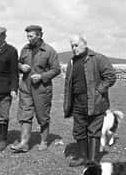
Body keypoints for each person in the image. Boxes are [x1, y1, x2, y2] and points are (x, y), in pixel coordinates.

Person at [63, 34, 116, 166]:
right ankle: (83, 157)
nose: (74, 48)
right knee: (79, 130)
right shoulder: (71, 62)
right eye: (72, 46)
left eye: (76, 45)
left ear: (84, 44)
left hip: (95, 103)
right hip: (77, 103)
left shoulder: (98, 58)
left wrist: (98, 91)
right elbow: (69, 84)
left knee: (94, 131)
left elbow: (110, 76)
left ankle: (92, 160)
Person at [10, 25, 61, 152]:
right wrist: (21, 67)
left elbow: (56, 69)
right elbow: (17, 63)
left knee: (42, 116)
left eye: (31, 36)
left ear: (39, 35)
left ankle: (43, 141)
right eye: (27, 36)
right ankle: (24, 143)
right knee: (25, 115)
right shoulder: (25, 49)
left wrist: (42, 76)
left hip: (42, 90)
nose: (29, 39)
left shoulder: (49, 51)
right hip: (26, 88)